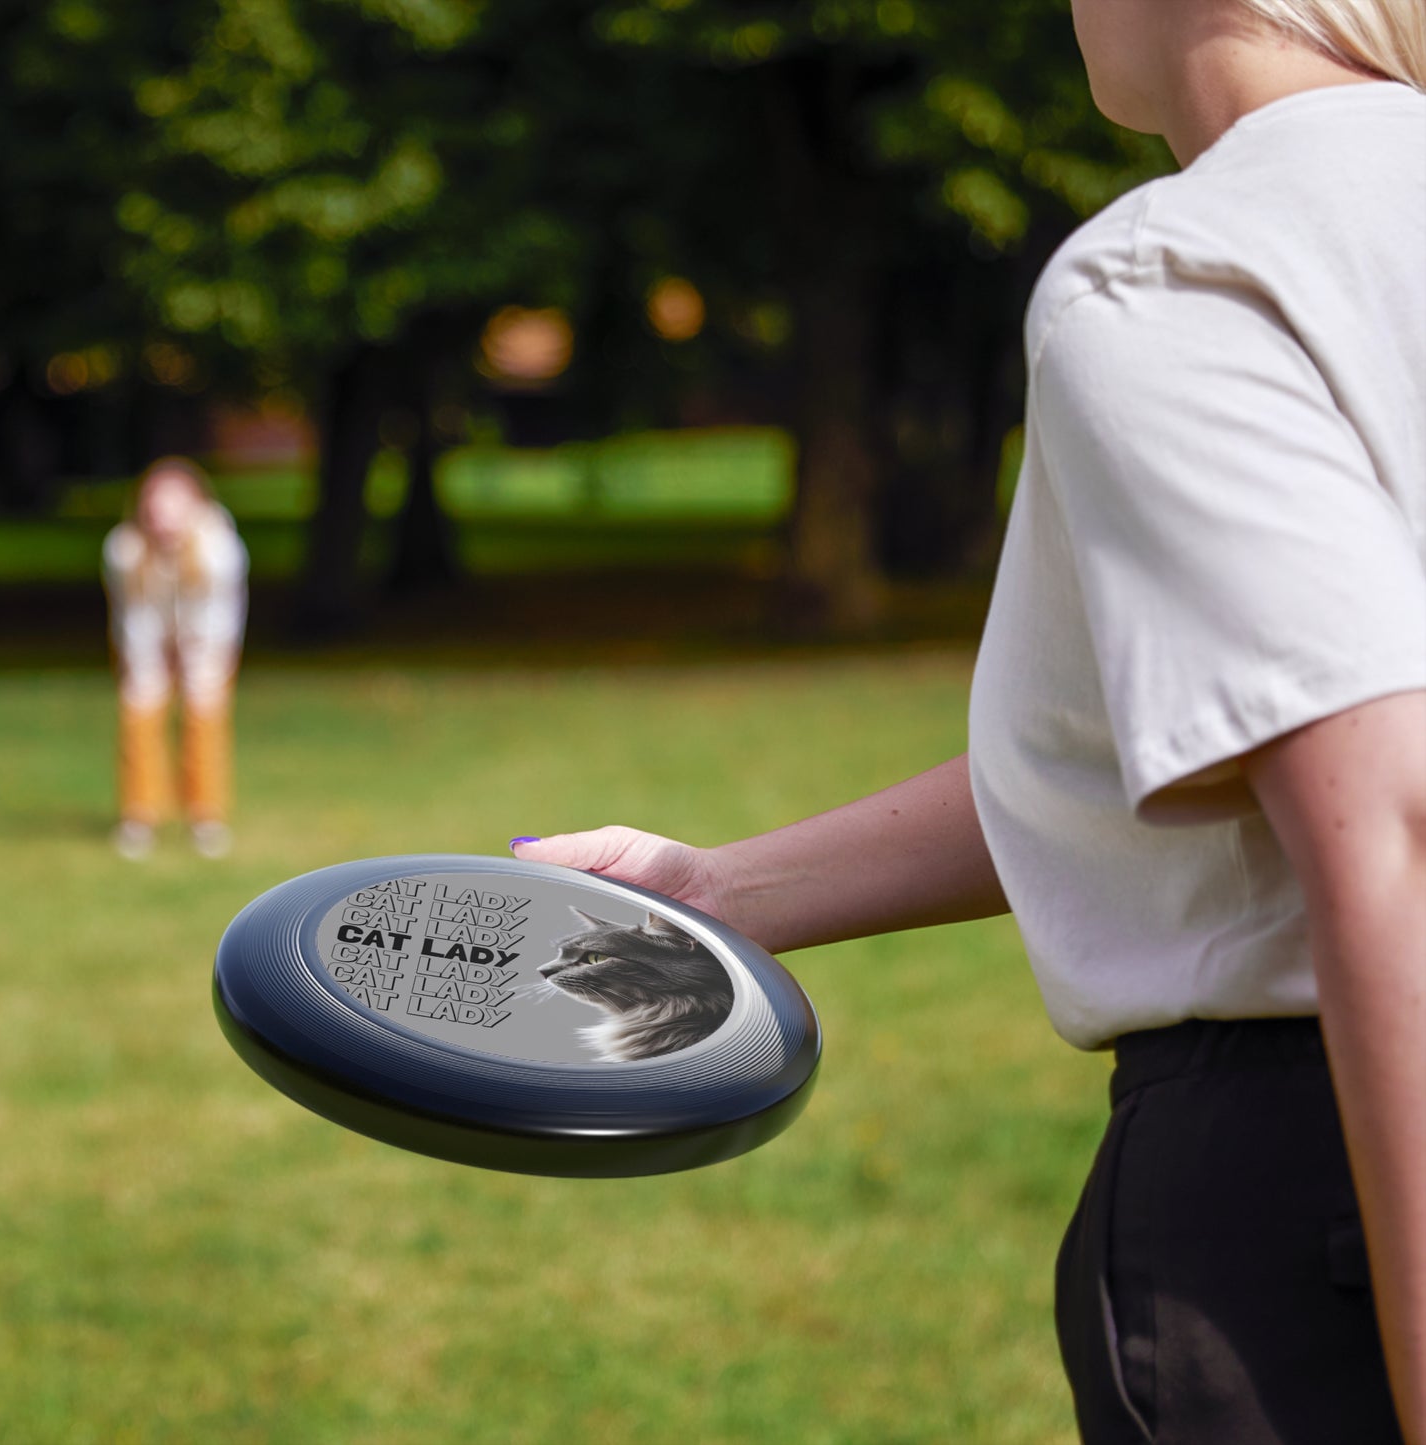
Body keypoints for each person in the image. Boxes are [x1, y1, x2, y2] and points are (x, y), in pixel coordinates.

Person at [510, 2, 1426, 1440]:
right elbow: (1204, 740)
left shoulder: (1185, 270)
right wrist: (719, 891)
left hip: (1323, 1191)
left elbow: (1390, 822)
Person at [102, 457, 249, 860]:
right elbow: (133, 616)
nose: (163, 517)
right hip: (146, 640)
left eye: (174, 505)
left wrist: (196, 658)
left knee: (204, 717)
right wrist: (149, 664)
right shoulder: (124, 549)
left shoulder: (220, 549)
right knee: (139, 713)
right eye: (156, 505)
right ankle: (139, 816)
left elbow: (220, 616)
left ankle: (206, 817)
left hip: (207, 641)